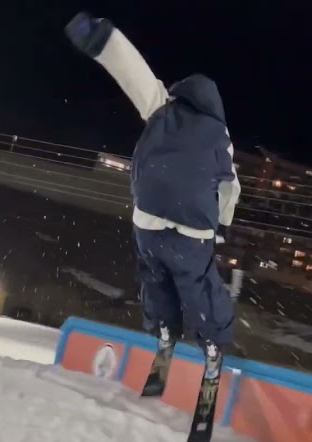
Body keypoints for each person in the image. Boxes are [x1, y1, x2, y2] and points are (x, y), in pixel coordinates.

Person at [64, 12, 241, 361]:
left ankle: (163, 327)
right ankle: (212, 340)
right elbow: (229, 186)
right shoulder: (221, 135)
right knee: (200, 283)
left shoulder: (162, 107)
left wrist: (99, 37)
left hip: (149, 215)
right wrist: (221, 226)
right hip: (193, 226)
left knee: (155, 275)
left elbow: (134, 73)